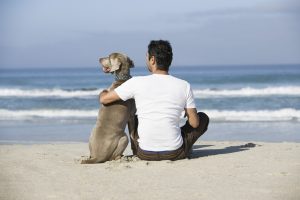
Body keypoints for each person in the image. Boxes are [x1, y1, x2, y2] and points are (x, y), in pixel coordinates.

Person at [99, 40, 209, 161]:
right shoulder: (184, 85)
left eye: (147, 57)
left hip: (144, 153)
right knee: (202, 118)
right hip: (175, 153)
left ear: (152, 60)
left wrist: (104, 92)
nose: (146, 60)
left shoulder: (136, 82)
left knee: (135, 116)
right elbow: (194, 123)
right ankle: (185, 146)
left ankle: (140, 146)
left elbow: (104, 100)